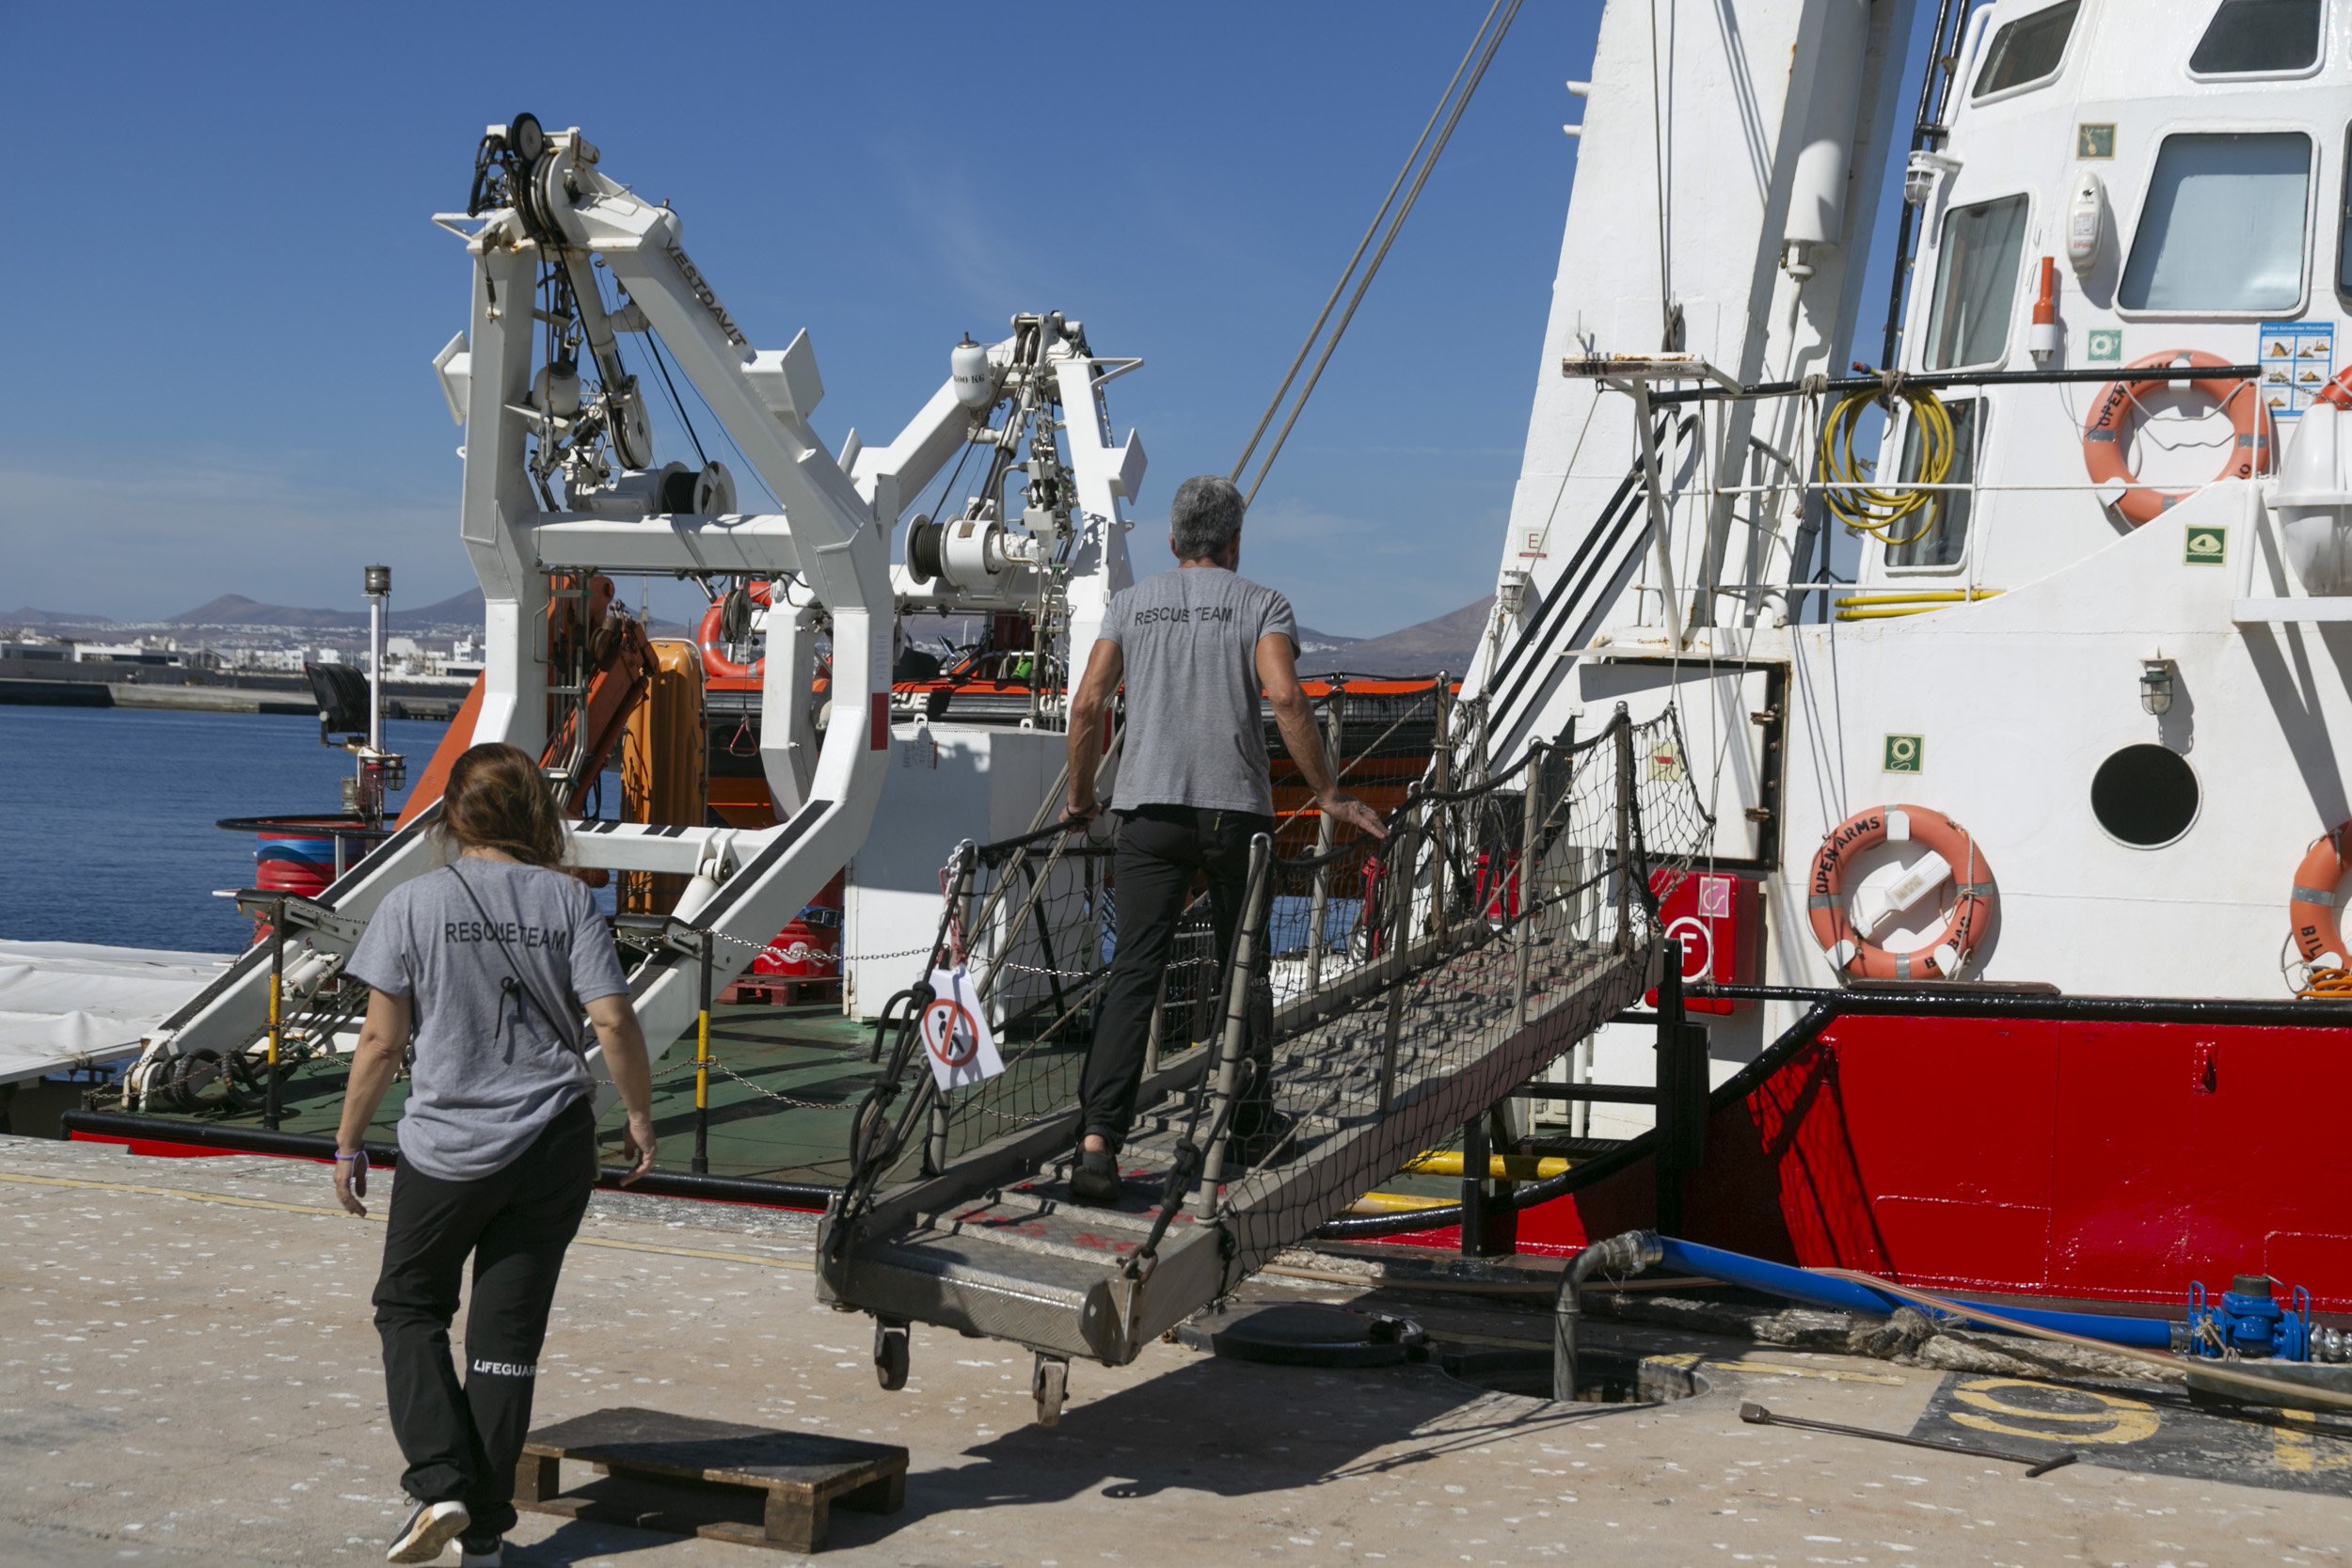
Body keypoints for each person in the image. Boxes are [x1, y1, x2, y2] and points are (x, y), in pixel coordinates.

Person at [331, 742, 659, 1566]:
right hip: (553, 1143)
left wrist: (346, 1141)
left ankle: (441, 1483)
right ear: (532, 815)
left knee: (409, 1307)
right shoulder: (571, 901)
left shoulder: (412, 904)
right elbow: (613, 1021)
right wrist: (641, 1116)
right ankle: (483, 1540)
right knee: (504, 1341)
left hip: (447, 1147)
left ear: (450, 815)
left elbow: (379, 1039)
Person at [1062, 474, 1386, 1206]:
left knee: (1134, 977)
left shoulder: (1128, 606)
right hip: (1234, 816)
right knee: (1245, 971)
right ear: (1235, 543)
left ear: (1173, 542)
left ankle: (1097, 1145)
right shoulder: (1262, 603)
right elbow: (1285, 696)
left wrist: (1082, 798)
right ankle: (1244, 1122)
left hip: (1147, 814)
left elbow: (1088, 704)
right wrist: (1328, 791)